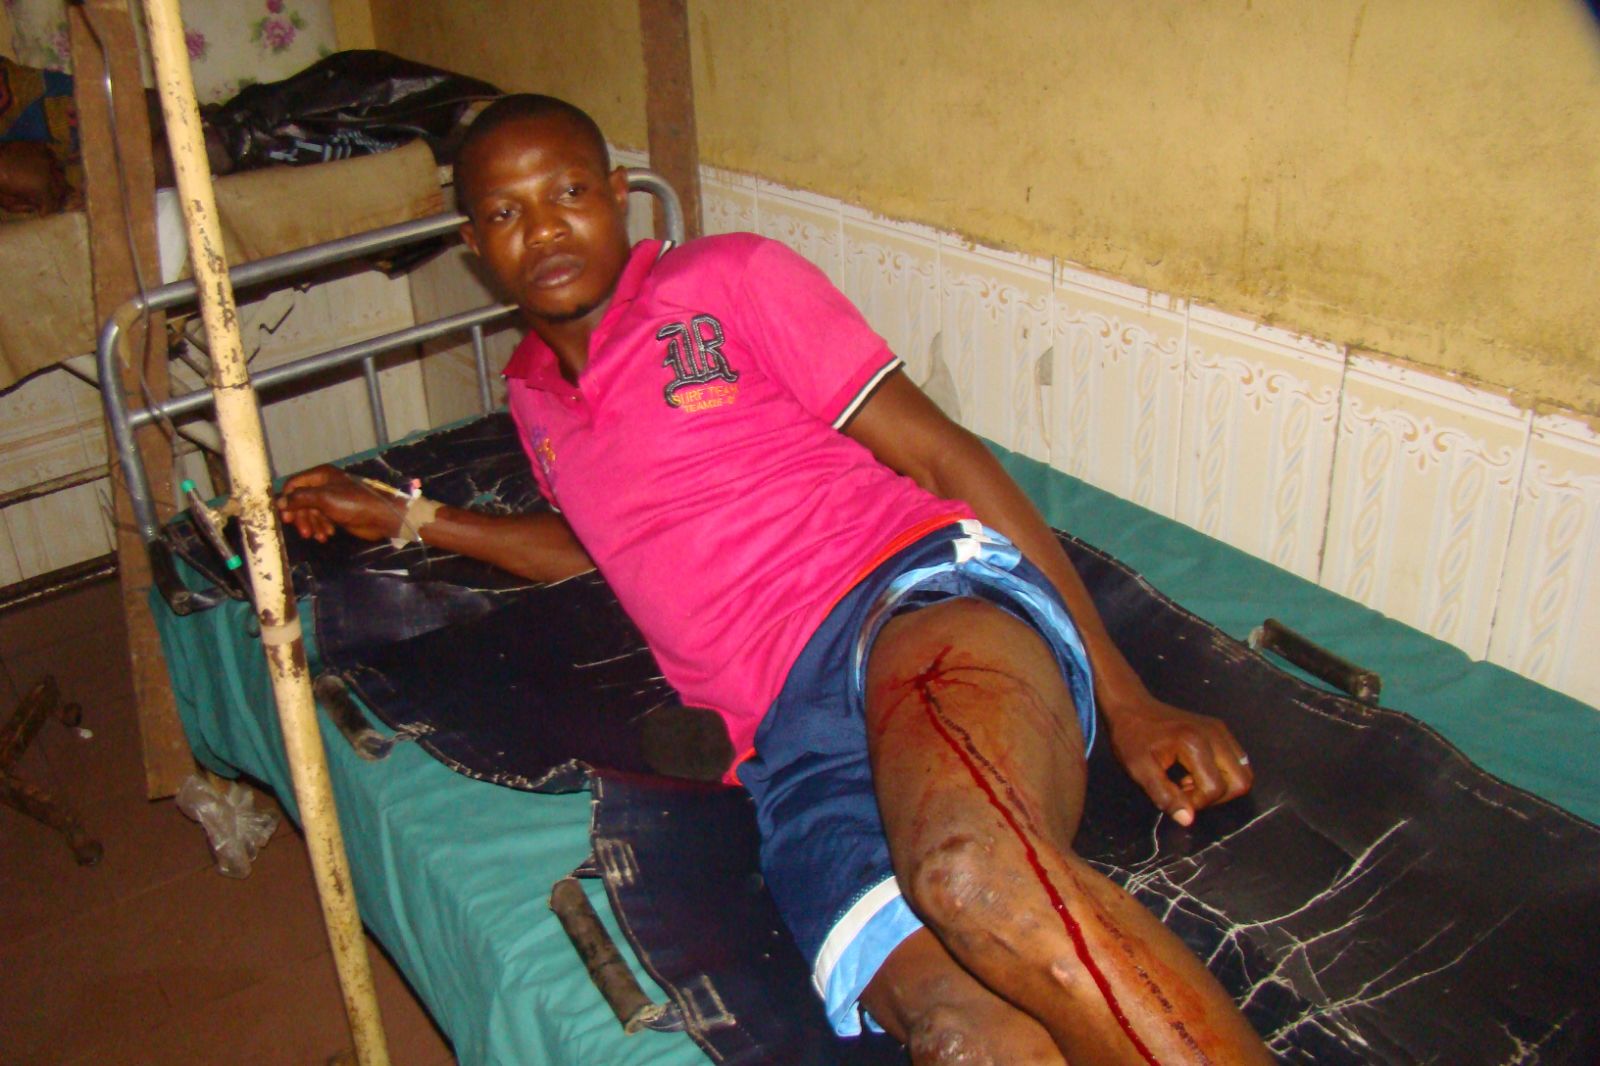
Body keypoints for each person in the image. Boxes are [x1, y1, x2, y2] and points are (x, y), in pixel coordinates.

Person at [278, 94, 1271, 1064]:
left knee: (970, 875)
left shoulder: (728, 278)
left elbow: (941, 456)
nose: (543, 229)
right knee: (960, 1038)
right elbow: (604, 548)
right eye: (505, 212)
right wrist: (403, 516)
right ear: (472, 244)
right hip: (788, 745)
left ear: (618, 196)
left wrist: (1126, 698)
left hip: (904, 604)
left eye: (568, 192)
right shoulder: (531, 398)